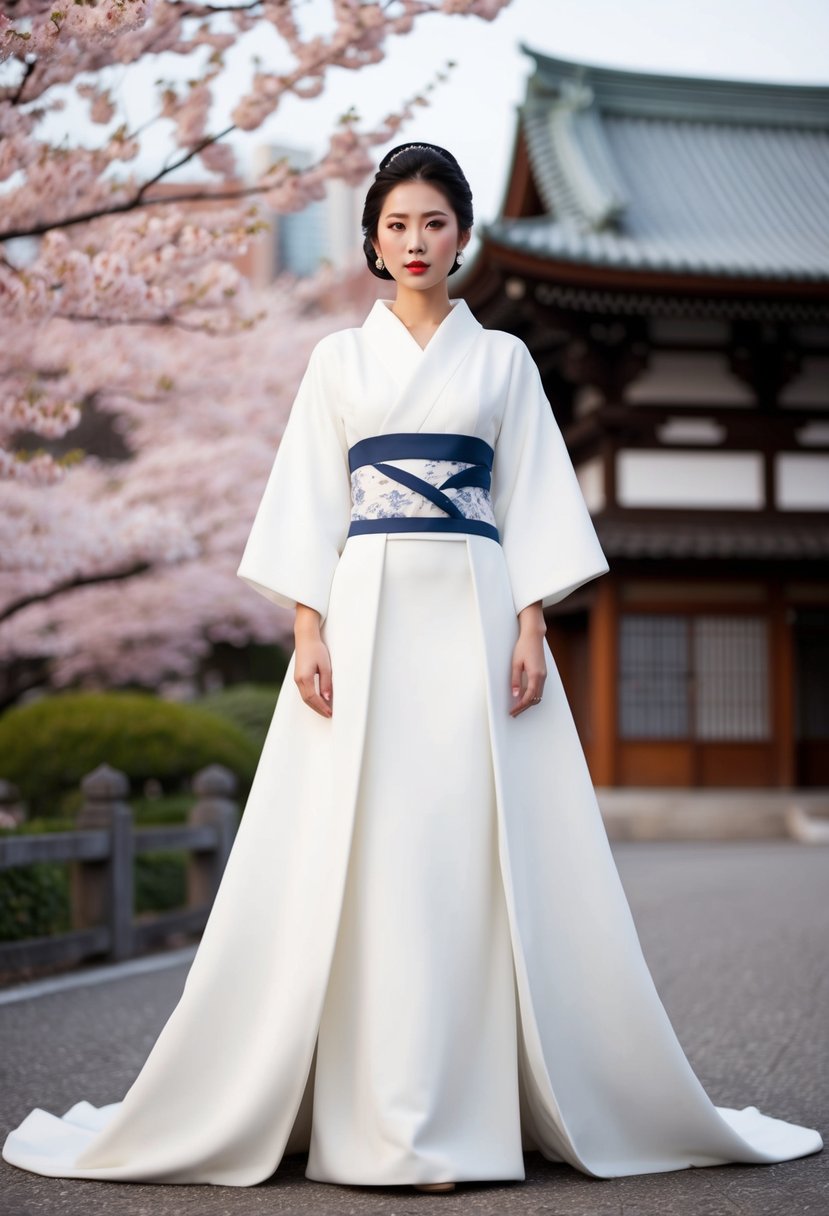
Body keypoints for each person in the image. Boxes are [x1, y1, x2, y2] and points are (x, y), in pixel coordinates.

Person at [2, 142, 822, 1195]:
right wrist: (308, 628)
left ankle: (467, 1107)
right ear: (372, 243)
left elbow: (530, 497)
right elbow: (307, 499)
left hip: (476, 610)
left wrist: (530, 624)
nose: (416, 242)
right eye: (396, 225)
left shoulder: (505, 362)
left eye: (434, 222)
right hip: (365, 609)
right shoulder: (336, 363)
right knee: (365, 849)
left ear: (463, 235)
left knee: (469, 853)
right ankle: (375, 1111)